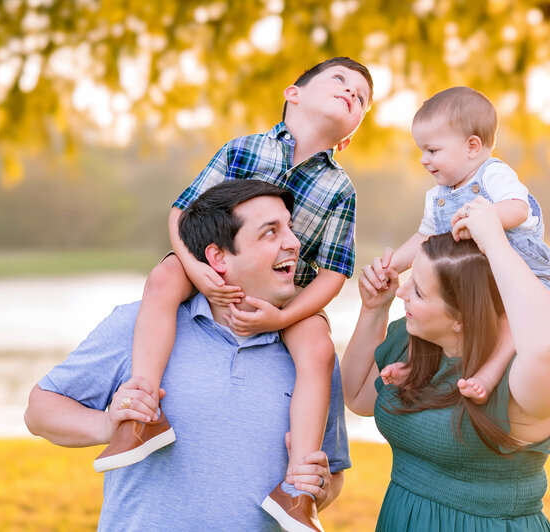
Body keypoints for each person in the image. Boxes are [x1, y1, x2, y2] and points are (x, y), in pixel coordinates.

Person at [96, 57, 372, 529]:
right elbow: (182, 214)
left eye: (362, 98)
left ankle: (298, 489)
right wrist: (196, 271)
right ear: (294, 93)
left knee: (318, 349)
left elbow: (332, 274)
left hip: (289, 294)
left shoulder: (339, 187)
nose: (352, 93)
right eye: (340, 81)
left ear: (349, 135)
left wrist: (283, 319)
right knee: (162, 281)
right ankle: (142, 416)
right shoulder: (244, 149)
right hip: (210, 265)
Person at [25, 180, 351, 532]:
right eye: (270, 233)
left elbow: (331, 474)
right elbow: (39, 410)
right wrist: (107, 425)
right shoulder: (139, 326)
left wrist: (319, 487)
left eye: (288, 227)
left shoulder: (313, 356)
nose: (294, 242)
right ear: (218, 258)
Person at [343, 196, 550, 531]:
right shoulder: (419, 345)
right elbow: (358, 396)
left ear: (462, 316)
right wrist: (374, 309)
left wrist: (493, 239)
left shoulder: (515, 378)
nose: (402, 292)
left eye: (418, 292)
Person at [363, 86, 550, 404]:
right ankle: (415, 367)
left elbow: (518, 208)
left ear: (472, 146)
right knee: (422, 305)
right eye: (422, 151)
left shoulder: (493, 174)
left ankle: (489, 373)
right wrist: (393, 265)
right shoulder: (437, 196)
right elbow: (424, 237)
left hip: (521, 269)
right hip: (475, 276)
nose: (424, 160)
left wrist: (486, 218)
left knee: (508, 322)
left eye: (432, 150)